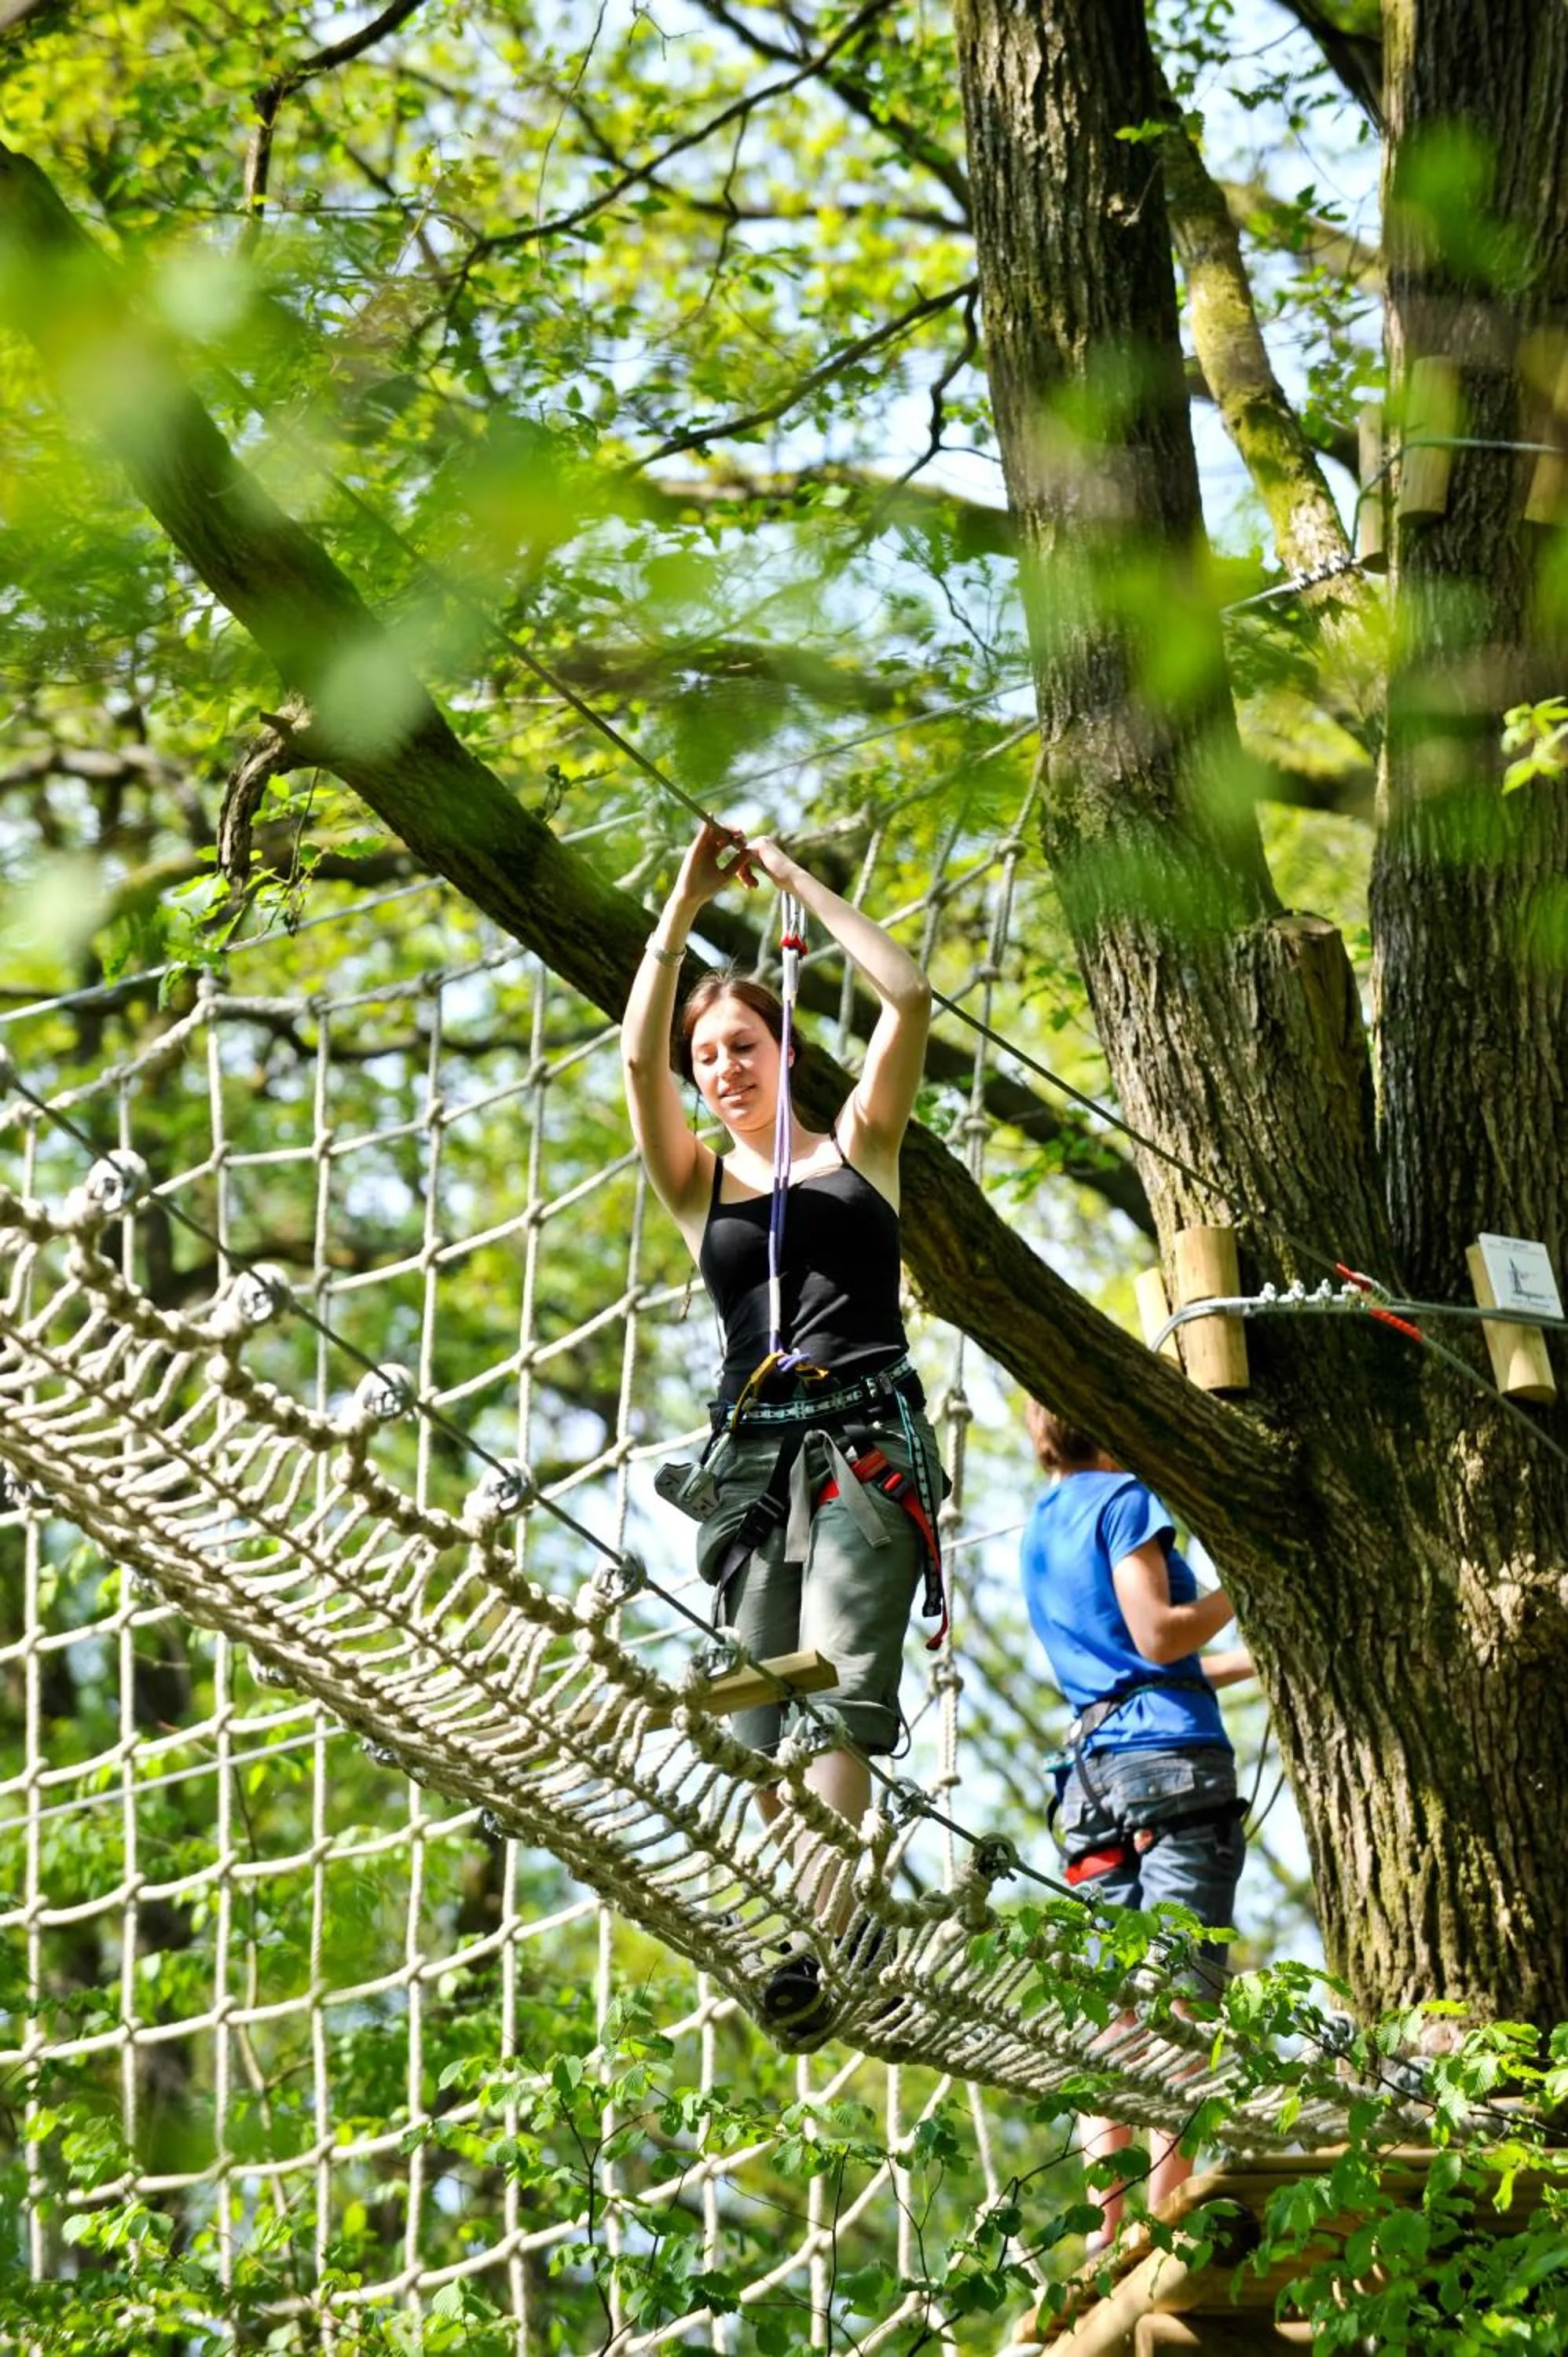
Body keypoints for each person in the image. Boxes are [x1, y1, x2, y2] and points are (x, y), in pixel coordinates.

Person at [621, 817, 945, 2027]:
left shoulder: (863, 1149)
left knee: (845, 1682)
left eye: (744, 1045)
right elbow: (631, 1051)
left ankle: (812, 1942)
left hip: (865, 1448)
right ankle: (820, 1913)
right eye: (708, 1056)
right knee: (754, 1723)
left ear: (785, 1046)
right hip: (756, 1468)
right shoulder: (700, 1182)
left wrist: (794, 885)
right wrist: (684, 897)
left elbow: (908, 999)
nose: (724, 1070)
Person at [1020, 1401, 1253, 2245]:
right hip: (1171, 1768)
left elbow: (1128, 1667)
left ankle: (1101, 2231)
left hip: (1091, 1777)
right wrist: (1243, 1590)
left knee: (1112, 2008)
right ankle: (1168, 2216)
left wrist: (1247, 1659)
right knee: (1181, 1994)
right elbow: (1158, 1636)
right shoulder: (1124, 1498)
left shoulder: (1041, 1523)